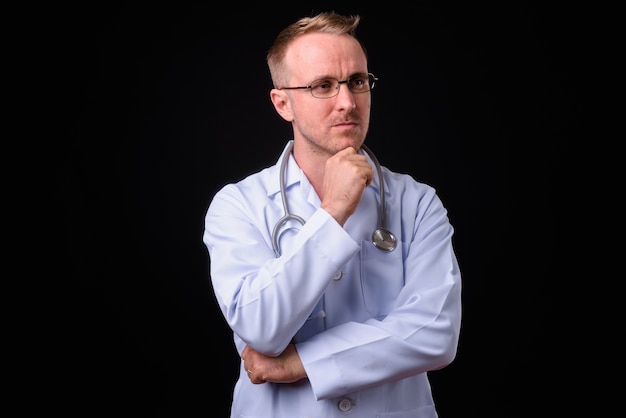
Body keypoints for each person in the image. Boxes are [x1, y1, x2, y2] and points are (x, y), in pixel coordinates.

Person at [203, 11, 462, 418]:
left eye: (357, 82)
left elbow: (435, 333)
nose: (347, 102)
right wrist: (334, 211)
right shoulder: (237, 205)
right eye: (323, 86)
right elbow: (260, 327)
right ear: (282, 103)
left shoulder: (417, 202)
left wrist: (300, 364)